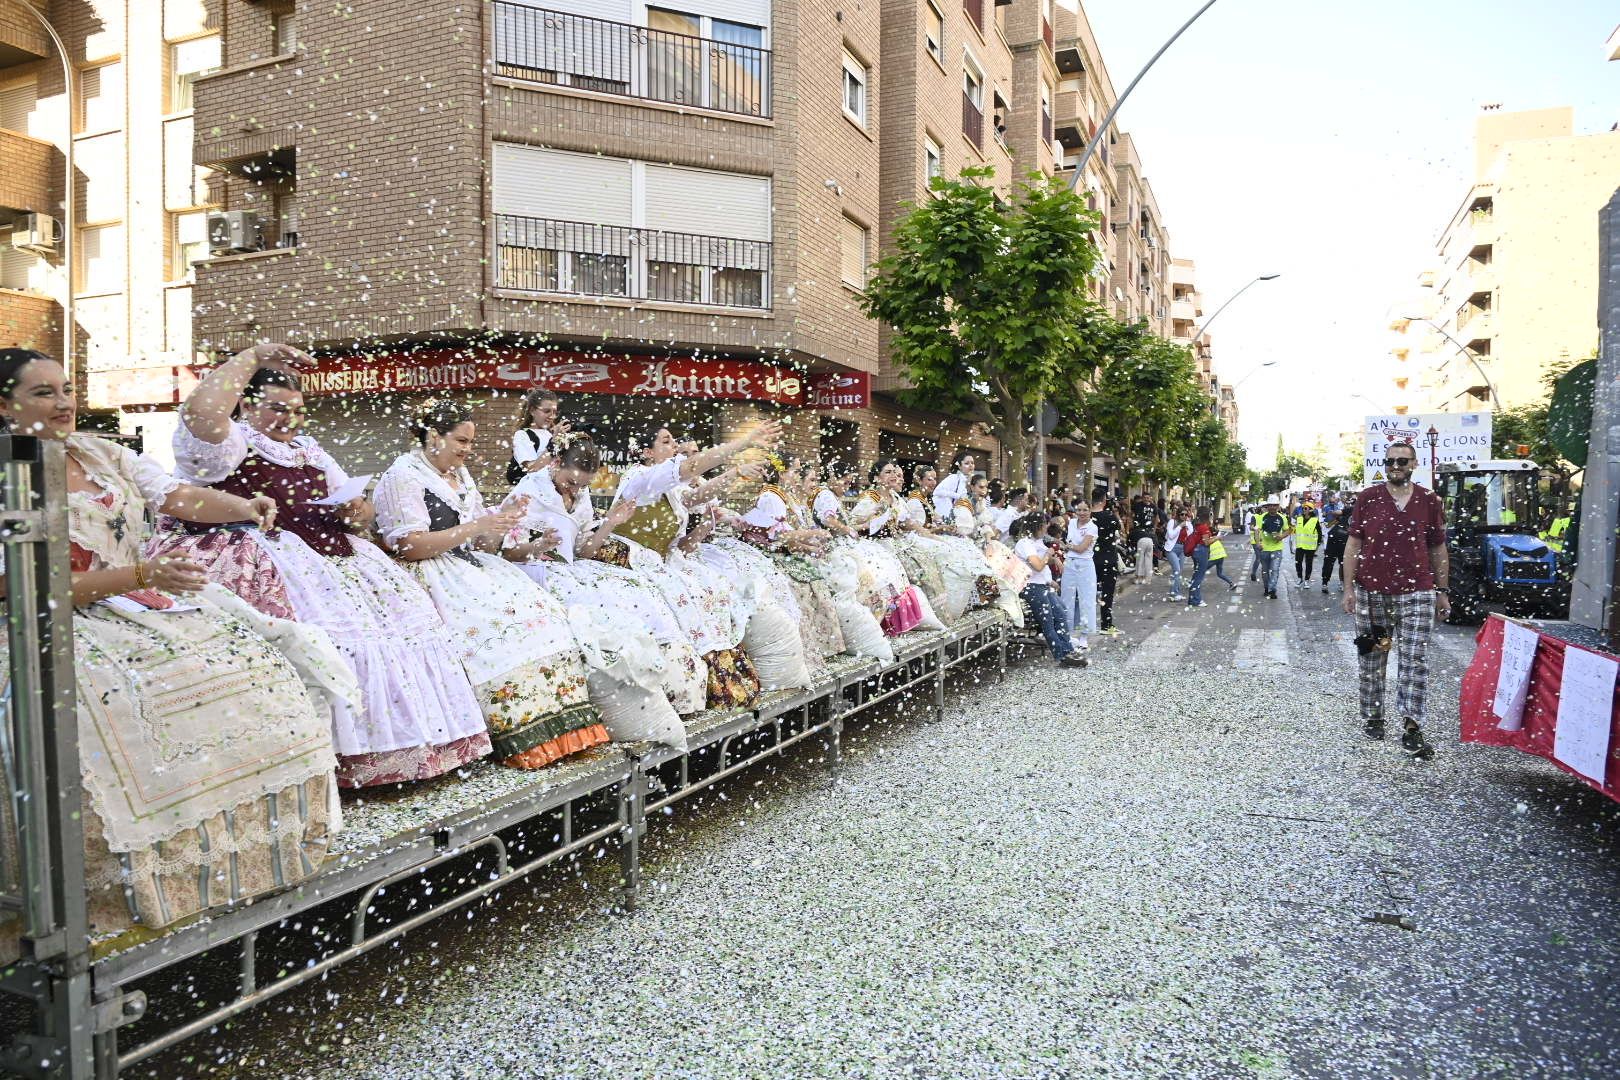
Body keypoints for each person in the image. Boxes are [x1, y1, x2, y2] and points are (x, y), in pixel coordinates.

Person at [0, 348, 352, 932]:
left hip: (131, 605)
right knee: (109, 705)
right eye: (44, 393)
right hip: (47, 621)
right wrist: (139, 575)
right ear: (4, 404)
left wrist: (243, 505)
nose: (64, 404)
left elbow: (177, 497)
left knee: (259, 668)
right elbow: (20, 584)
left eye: (66, 390)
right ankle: (115, 890)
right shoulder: (7, 475)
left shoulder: (100, 452)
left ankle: (230, 863)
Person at [163, 344, 491, 787]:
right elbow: (200, 417)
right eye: (277, 409)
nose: (289, 420)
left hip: (333, 555)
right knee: (323, 644)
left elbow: (361, 512)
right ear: (247, 405)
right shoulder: (233, 443)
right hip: (271, 556)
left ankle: (400, 750)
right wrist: (252, 357)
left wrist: (354, 512)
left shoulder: (311, 451)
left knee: (399, 631)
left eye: (297, 411)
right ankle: (328, 758)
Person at [372, 400, 610, 769]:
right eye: (461, 441)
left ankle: (560, 729)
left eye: (470, 442)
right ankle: (522, 736)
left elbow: (483, 544)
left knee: (541, 615)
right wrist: (476, 527)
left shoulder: (460, 475)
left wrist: (502, 522)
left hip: (470, 566)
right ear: (434, 436)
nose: (468, 450)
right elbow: (408, 545)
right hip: (429, 572)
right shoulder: (403, 475)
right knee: (497, 630)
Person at [1342, 441, 1446, 759]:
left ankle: (1412, 727)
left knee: (1414, 659)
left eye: (1402, 461)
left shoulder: (1429, 500)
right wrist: (1348, 589)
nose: (1395, 466)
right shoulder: (1368, 498)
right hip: (1371, 592)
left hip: (1418, 592)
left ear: (1414, 464)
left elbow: (1438, 547)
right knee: (1372, 657)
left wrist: (1443, 591)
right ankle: (1374, 716)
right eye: (1390, 461)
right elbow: (1353, 545)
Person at [1009, 512, 1086, 667]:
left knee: (1060, 613)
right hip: (1031, 587)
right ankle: (1062, 656)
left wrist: (1054, 561)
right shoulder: (1024, 544)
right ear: (1037, 526)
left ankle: (1068, 650)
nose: (1046, 528)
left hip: (1042, 585)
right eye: (1044, 525)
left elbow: (1043, 562)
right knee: (1048, 621)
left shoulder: (1037, 542)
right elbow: (1038, 565)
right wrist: (1048, 554)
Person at [505, 388, 567, 485]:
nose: (552, 416)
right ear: (532, 410)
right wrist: (554, 443)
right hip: (531, 492)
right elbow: (531, 468)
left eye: (554, 412)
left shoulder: (551, 434)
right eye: (547, 411)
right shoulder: (522, 435)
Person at [1058, 500, 1096, 655]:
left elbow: (1081, 548)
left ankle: (1084, 636)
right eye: (1079, 510)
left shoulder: (1092, 527)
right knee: (1066, 598)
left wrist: (1068, 546)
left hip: (1085, 564)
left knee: (1086, 599)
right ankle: (1067, 633)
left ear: (1090, 510)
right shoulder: (1072, 523)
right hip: (1070, 563)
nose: (1081, 513)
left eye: (1085, 510)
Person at [1090, 489, 1122, 635]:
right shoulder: (1110, 516)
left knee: (1088, 592)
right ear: (1104, 500)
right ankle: (1106, 624)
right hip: (1109, 558)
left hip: (1091, 559)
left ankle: (1087, 624)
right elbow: (1119, 530)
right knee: (1107, 593)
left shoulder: (1087, 516)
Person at [1255, 497, 1291, 599]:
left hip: (1277, 548)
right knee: (1265, 571)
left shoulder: (1282, 518)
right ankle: (1267, 588)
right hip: (1264, 549)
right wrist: (1258, 543)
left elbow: (1287, 530)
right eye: (1270, 505)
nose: (1272, 507)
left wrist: (1281, 536)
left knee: (1275, 570)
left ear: (1278, 506)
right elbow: (1257, 530)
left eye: (1274, 505)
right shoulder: (1262, 517)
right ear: (1267, 506)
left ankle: (1272, 590)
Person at [931, 451, 976, 521]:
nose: (970, 465)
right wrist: (958, 496)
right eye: (967, 463)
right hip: (945, 517)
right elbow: (937, 491)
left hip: (961, 518)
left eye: (972, 463)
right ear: (959, 466)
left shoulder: (972, 481)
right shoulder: (954, 477)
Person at [1184, 508, 1215, 608]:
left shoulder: (1198, 526)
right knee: (1198, 577)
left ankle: (1192, 599)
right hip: (1202, 551)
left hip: (1196, 551)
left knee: (1196, 575)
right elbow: (1206, 542)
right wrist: (1217, 538)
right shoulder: (1204, 527)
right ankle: (1196, 600)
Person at [1320, 499, 1352, 593]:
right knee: (1342, 562)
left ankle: (1325, 583)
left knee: (1331, 561)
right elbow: (1336, 514)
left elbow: (1336, 513)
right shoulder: (1359, 511)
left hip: (1337, 536)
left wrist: (1333, 513)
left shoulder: (1352, 509)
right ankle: (1340, 583)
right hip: (1342, 538)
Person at [1163, 505, 1190, 601]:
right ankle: (1174, 594)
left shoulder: (1188, 524)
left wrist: (1188, 526)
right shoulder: (1172, 522)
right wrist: (1180, 526)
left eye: (1186, 515)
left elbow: (1191, 536)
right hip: (1172, 548)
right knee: (1177, 570)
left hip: (1183, 549)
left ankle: (1175, 592)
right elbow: (1171, 535)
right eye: (1182, 514)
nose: (1184, 516)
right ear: (1178, 514)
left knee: (1179, 572)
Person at [1294, 504, 1321, 584]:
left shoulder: (1315, 520)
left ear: (1311, 510)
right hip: (1300, 545)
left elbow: (1319, 533)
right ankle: (1300, 578)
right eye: (1303, 508)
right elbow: (1295, 530)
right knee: (1298, 562)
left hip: (1310, 546)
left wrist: (1318, 544)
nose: (1303, 510)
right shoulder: (1299, 519)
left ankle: (1306, 579)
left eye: (1305, 508)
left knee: (1309, 564)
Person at [1128, 507, 1155, 585]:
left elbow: (1129, 544)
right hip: (1150, 540)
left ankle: (1138, 578)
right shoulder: (1141, 528)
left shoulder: (1132, 531)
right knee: (1148, 559)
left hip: (1141, 541)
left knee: (1140, 559)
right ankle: (1147, 578)